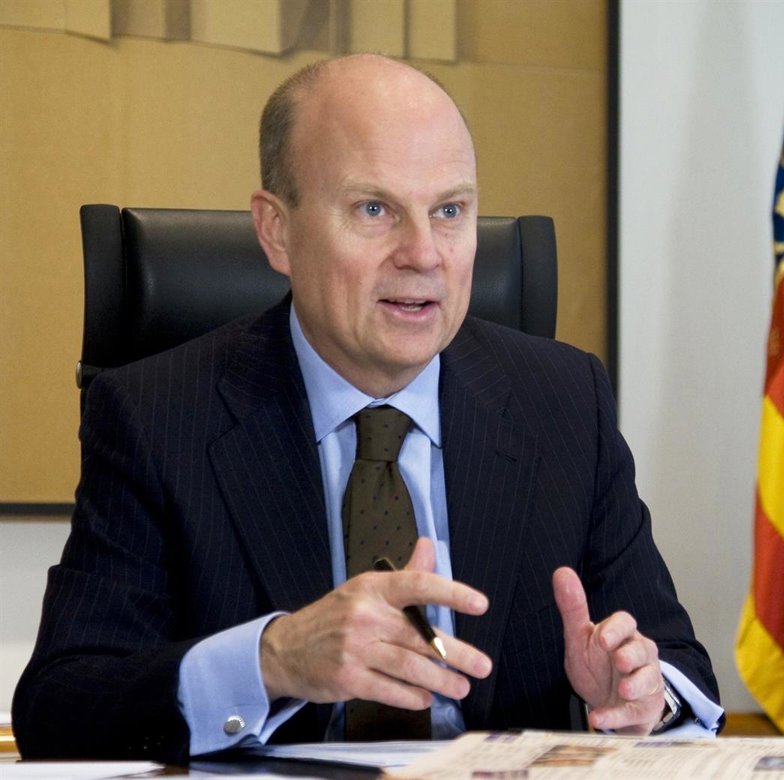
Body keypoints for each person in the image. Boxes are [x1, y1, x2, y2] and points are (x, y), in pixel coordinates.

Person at [13, 54, 722, 763]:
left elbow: (679, 668)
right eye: (374, 210)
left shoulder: (563, 402)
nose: (424, 254)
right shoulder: (157, 416)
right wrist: (272, 659)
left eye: (450, 211)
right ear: (277, 231)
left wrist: (641, 697)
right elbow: (59, 707)